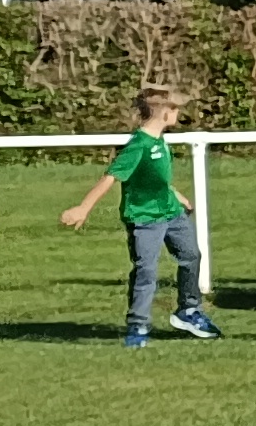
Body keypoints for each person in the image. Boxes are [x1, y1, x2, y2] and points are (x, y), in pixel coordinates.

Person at [60, 88, 221, 348]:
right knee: (146, 270)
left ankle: (189, 310)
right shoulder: (139, 145)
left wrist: (176, 195)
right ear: (164, 112)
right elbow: (111, 177)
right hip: (145, 219)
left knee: (191, 256)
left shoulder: (159, 141)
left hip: (172, 212)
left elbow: (155, 178)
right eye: (175, 108)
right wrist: (83, 207)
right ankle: (138, 325)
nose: (178, 113)